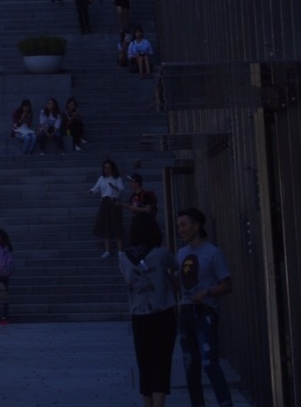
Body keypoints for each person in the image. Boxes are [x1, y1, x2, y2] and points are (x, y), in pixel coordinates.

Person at [120, 211, 179, 407]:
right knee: (161, 361)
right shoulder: (162, 253)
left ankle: (147, 404)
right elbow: (176, 269)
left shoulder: (124, 257)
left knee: (144, 362)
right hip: (162, 313)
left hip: (138, 315)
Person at [176, 208, 234, 407]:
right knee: (191, 366)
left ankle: (225, 403)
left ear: (196, 225)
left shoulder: (213, 252)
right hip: (185, 312)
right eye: (178, 226)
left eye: (184, 225)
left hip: (205, 313)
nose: (180, 230)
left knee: (209, 363)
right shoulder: (181, 253)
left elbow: (227, 285)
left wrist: (208, 292)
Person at [91, 159, 126, 257]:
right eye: (105, 168)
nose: (107, 170)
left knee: (116, 224)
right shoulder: (101, 178)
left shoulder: (117, 178)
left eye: (109, 168)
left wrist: (114, 188)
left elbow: (121, 189)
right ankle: (107, 250)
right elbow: (96, 188)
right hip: (105, 202)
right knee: (106, 225)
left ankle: (120, 250)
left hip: (114, 201)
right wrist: (90, 191)